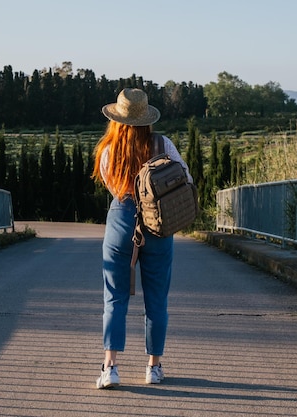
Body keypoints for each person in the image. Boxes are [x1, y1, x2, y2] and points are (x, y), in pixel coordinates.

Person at [91, 88, 193, 389]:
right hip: (157, 223)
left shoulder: (109, 151)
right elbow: (185, 178)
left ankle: (110, 367)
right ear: (147, 118)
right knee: (157, 298)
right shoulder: (163, 144)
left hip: (121, 220)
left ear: (116, 119)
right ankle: (153, 367)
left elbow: (112, 187)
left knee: (115, 296)